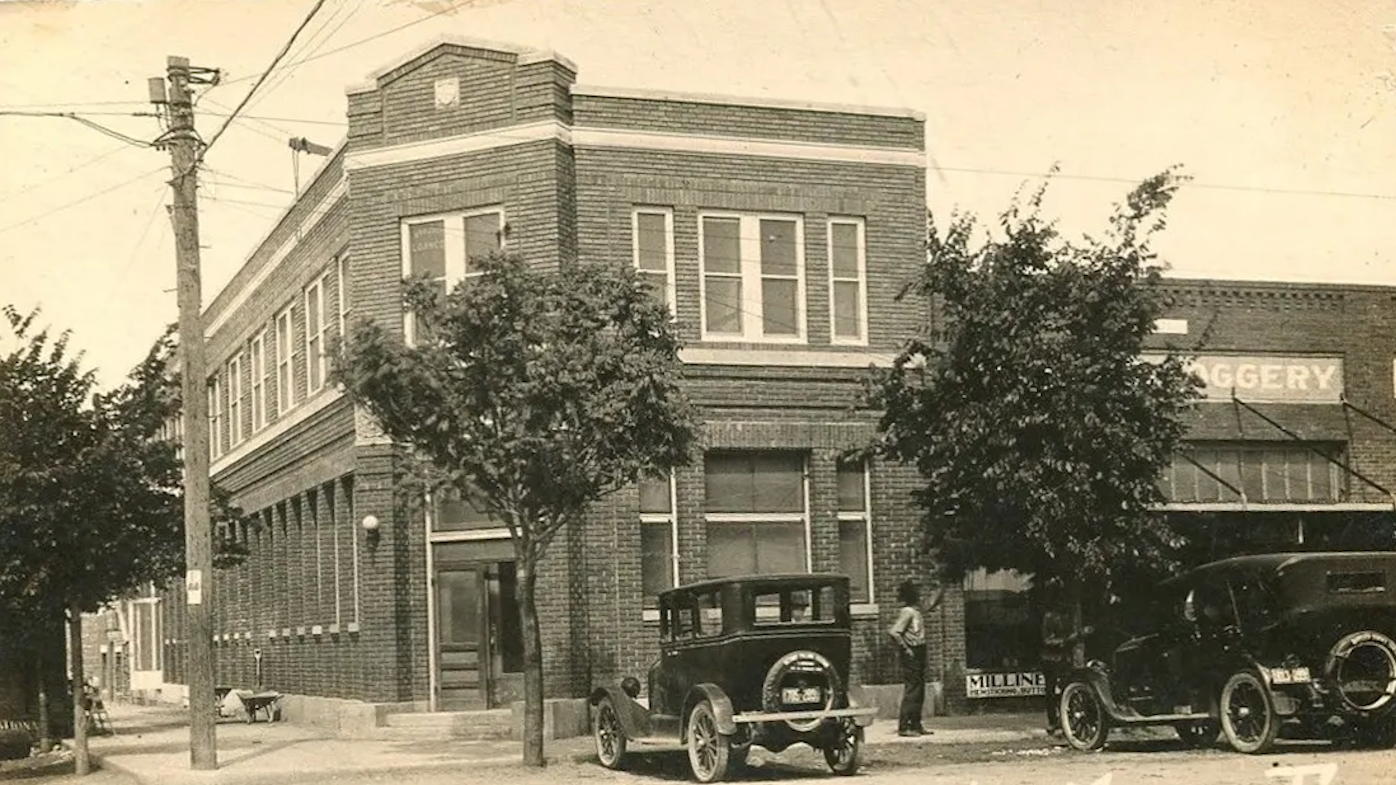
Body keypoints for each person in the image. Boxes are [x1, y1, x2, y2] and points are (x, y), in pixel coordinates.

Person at [889, 578, 942, 737]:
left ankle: (916, 723)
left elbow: (931, 604)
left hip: (920, 649)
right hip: (913, 650)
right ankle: (904, 726)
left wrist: (941, 589)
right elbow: (894, 632)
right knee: (912, 689)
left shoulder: (916, 611)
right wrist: (906, 648)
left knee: (919, 689)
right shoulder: (908, 612)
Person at [1041, 605, 1093, 736]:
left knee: (1067, 690)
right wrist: (1068, 640)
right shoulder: (1049, 617)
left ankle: (1066, 721)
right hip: (1051, 659)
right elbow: (1047, 640)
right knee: (1051, 692)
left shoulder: (1070, 615)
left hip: (1064, 658)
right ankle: (1053, 721)